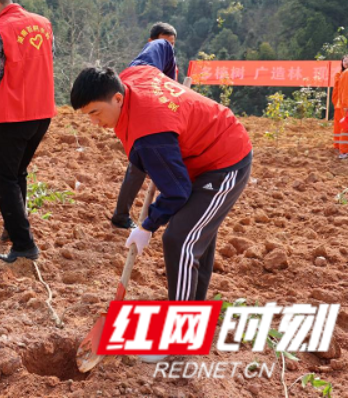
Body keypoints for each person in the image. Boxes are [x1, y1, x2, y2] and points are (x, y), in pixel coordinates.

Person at [70, 66, 252, 362]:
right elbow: (150, 63)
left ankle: (177, 339)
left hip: (225, 162)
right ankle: (193, 326)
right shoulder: (132, 78)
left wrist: (147, 225)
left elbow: (177, 191)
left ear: (117, 98)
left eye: (95, 113)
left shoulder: (149, 136)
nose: (94, 123)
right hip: (197, 155)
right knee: (194, 239)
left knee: (180, 241)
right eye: (87, 115)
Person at [0, 0, 56, 263]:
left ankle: (24, 244)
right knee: (18, 172)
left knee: (4, 177)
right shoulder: (43, 24)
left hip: (13, 112)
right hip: (42, 111)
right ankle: (13, 228)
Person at [111, 22, 178, 230]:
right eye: (165, 42)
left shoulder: (168, 67)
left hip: (158, 121)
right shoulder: (150, 61)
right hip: (144, 117)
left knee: (139, 165)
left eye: (173, 44)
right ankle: (123, 215)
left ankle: (122, 215)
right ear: (151, 42)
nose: (170, 47)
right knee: (139, 164)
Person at [334, 55, 348, 157]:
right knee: (345, 128)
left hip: (343, 104)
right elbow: (344, 92)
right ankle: (343, 151)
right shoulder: (345, 74)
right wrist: (345, 105)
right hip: (344, 104)